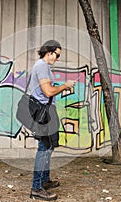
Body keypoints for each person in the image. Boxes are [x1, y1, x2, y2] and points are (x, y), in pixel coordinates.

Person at [29, 40, 76, 201]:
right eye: (57, 55)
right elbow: (48, 91)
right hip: (43, 112)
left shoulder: (44, 67)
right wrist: (65, 85)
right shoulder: (41, 66)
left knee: (49, 146)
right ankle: (36, 188)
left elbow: (47, 89)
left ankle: (45, 180)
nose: (57, 58)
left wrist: (62, 86)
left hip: (47, 110)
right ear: (49, 52)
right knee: (44, 148)